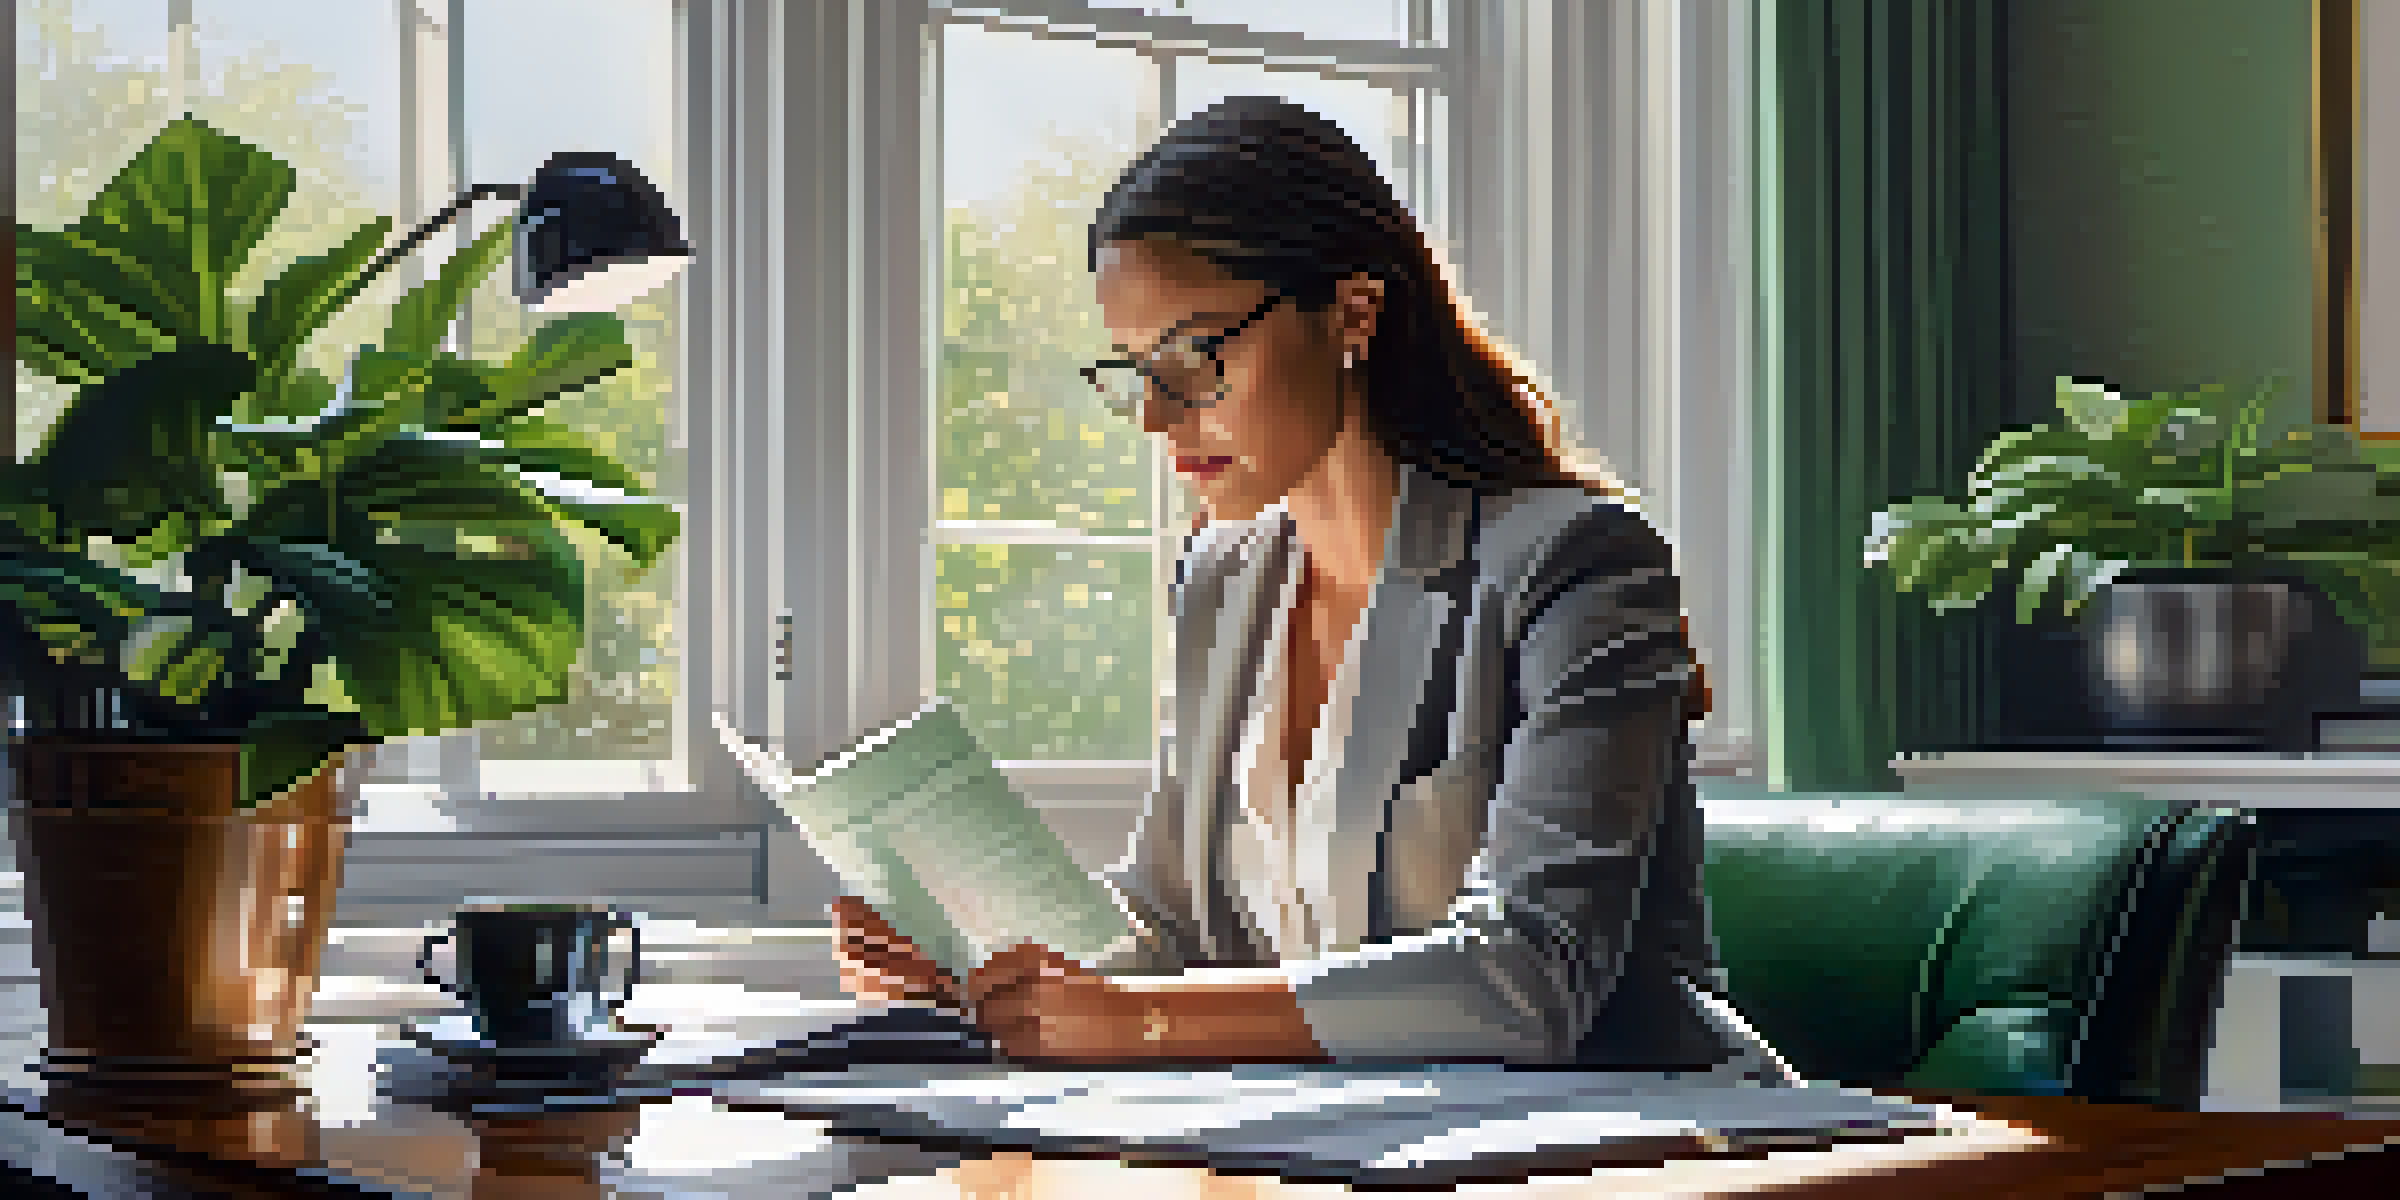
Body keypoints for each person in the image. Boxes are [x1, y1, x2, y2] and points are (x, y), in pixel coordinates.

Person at [834, 96, 1792, 1080]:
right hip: (1364, 1146)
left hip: (1656, 1145)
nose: (1157, 418)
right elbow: (1171, 926)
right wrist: (982, 960)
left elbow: (1531, 976)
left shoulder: (1579, 563)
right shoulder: (1221, 579)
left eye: (1196, 357)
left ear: (1353, 312)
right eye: (1132, 372)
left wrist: (1146, 1024)